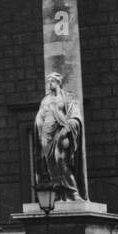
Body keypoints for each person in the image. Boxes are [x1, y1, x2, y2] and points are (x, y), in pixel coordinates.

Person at [34, 71, 84, 201]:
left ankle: (72, 192)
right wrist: (38, 125)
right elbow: (39, 116)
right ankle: (56, 191)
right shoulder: (45, 100)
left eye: (52, 81)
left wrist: (67, 128)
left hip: (60, 133)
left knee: (61, 161)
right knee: (50, 165)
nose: (50, 83)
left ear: (58, 82)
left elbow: (76, 116)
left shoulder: (67, 97)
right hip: (46, 135)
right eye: (48, 81)